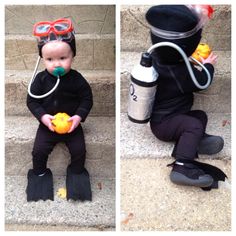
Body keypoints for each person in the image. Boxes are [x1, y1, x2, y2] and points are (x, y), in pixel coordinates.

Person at [145, 5, 226, 190]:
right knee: (194, 124)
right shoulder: (181, 71)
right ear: (186, 47)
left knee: (199, 116)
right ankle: (182, 167)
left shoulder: (157, 57)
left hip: (166, 120)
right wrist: (208, 65)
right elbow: (203, 82)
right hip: (164, 125)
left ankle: (192, 142)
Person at [26, 18, 93, 201]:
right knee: (38, 151)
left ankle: (77, 173)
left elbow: (87, 99)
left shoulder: (77, 79)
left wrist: (79, 116)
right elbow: (32, 101)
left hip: (71, 124)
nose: (56, 64)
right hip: (48, 124)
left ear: (72, 56)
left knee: (79, 150)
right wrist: (43, 117)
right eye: (49, 59)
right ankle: (39, 174)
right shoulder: (40, 80)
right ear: (42, 59)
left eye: (63, 58)